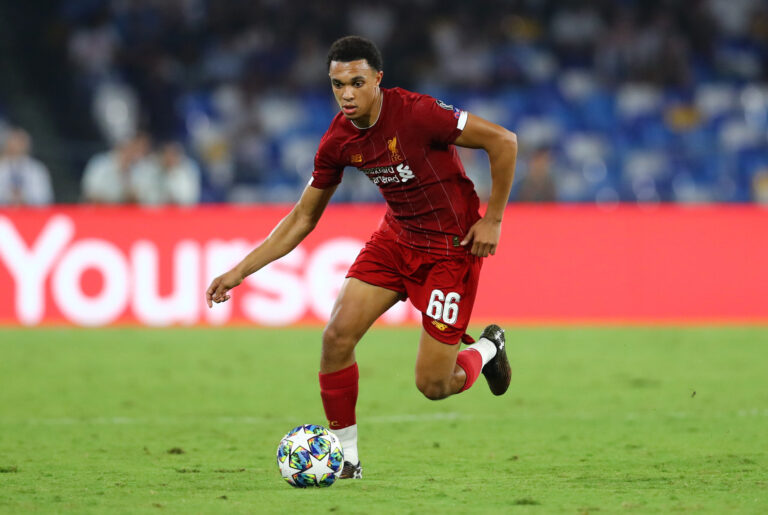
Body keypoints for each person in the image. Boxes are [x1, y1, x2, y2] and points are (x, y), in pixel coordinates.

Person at [205, 36, 518, 479]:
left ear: (377, 80)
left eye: (356, 82)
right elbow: (302, 217)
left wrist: (494, 220)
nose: (347, 94)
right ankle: (348, 460)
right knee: (335, 338)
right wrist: (239, 271)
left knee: (433, 385)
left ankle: (489, 347)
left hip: (452, 250)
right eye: (337, 85)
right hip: (397, 240)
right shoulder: (337, 139)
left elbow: (504, 141)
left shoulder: (418, 112)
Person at [0, 128, 54, 206]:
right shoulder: (2, 167)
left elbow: (45, 197)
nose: (16, 147)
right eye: (13, 142)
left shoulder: (37, 169)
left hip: (31, 214)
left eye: (20, 143)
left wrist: (25, 197)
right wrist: (8, 196)